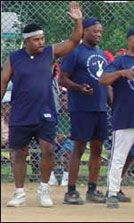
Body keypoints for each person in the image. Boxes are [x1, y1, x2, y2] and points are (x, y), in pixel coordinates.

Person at [0, 1, 83, 207]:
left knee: (47, 149)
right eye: (36, 39)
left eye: (42, 38)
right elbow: (2, 82)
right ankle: (19, 193)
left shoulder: (49, 53)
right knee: (19, 152)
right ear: (26, 41)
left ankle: (43, 190)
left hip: (45, 111)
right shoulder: (13, 58)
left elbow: (73, 41)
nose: (41, 42)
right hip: (20, 112)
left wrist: (78, 21)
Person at [99, 26, 134, 209]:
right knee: (118, 157)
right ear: (129, 40)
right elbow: (102, 79)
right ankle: (113, 193)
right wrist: (120, 73)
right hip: (125, 118)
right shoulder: (121, 61)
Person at [59, 17, 110, 204]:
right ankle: (70, 191)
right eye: (95, 31)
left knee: (97, 149)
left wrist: (111, 103)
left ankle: (92, 189)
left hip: (100, 107)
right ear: (85, 31)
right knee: (79, 148)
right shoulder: (74, 52)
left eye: (100, 32)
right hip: (81, 108)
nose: (98, 34)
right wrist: (79, 88)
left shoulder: (101, 53)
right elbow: (62, 79)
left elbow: (106, 82)